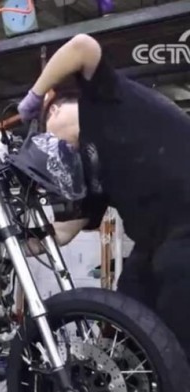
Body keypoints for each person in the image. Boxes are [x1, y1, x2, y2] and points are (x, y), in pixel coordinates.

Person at [18, 33, 190, 358]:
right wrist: (14, 243)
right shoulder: (92, 169)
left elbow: (82, 46)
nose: (57, 147)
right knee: (125, 314)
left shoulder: (102, 98)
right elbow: (65, 232)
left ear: (56, 109)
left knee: (178, 334)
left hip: (184, 231)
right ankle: (131, 380)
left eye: (50, 131)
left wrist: (35, 95)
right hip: (153, 244)